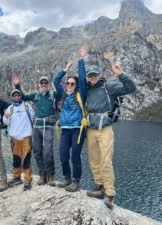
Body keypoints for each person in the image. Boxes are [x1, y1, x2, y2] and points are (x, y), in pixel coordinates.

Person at [84, 61, 136, 208]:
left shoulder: (108, 86)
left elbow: (131, 88)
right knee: (94, 160)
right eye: (90, 75)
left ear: (99, 74)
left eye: (95, 74)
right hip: (91, 128)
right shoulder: (87, 89)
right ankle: (99, 188)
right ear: (88, 77)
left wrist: (120, 74)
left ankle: (110, 194)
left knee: (106, 161)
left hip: (105, 128)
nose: (93, 77)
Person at [13, 72, 62, 186]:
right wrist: (17, 85)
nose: (44, 84)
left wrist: (60, 76)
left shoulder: (53, 95)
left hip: (48, 127)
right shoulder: (35, 96)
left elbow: (61, 92)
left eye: (46, 83)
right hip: (37, 127)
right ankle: (42, 174)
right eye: (42, 83)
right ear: (39, 84)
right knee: (37, 151)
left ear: (48, 84)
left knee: (48, 151)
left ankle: (50, 175)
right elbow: (23, 97)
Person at [54, 46, 88, 192]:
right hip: (65, 129)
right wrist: (65, 69)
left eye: (72, 84)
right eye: (68, 83)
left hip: (77, 129)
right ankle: (67, 178)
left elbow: (81, 76)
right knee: (62, 155)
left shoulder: (81, 93)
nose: (69, 85)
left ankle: (76, 181)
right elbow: (56, 81)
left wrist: (81, 59)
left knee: (75, 155)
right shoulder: (63, 93)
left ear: (76, 85)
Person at [3, 89, 35, 191]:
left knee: (26, 159)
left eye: (18, 95)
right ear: (12, 97)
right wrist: (6, 116)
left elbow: (33, 117)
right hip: (14, 138)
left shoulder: (27, 106)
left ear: (20, 96)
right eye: (14, 96)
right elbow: (6, 122)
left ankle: (27, 179)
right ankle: (17, 178)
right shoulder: (10, 108)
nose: (16, 97)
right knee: (16, 159)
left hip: (26, 137)